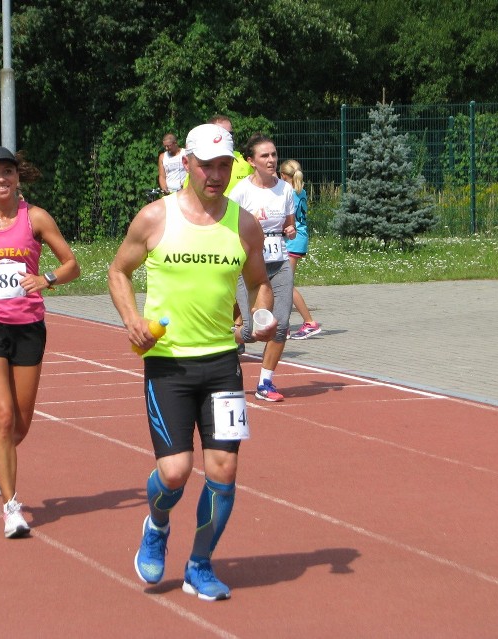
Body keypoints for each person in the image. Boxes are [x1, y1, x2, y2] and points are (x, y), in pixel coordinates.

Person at [108, 123, 276, 601]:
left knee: (223, 470)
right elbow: (118, 270)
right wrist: (131, 319)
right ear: (188, 163)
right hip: (168, 365)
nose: (216, 175)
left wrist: (260, 314)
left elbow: (259, 280)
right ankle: (157, 524)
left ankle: (200, 564)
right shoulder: (155, 218)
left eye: (224, 165)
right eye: (207, 165)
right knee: (176, 472)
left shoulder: (243, 223)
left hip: (223, 363)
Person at [0, 145, 80, 538]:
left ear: (17, 176)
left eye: (8, 172)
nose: (1, 179)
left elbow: (71, 264)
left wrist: (47, 280)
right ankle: (12, 508)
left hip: (28, 327)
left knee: (19, 424)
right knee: (3, 414)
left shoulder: (36, 218)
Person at [229, 133, 297, 402]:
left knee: (280, 326)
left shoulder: (286, 190)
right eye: (264, 156)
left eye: (273, 154)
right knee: (251, 332)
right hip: (248, 268)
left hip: (278, 263)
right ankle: (219, 338)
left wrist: (290, 230)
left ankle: (265, 383)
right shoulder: (241, 192)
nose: (271, 160)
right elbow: (227, 229)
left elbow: (289, 226)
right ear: (251, 161)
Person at [281, 160, 321, 340]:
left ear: (283, 176)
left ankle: (309, 322)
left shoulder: (287, 193)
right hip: (298, 238)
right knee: (281, 283)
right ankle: (284, 325)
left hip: (293, 239)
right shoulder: (300, 190)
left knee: (286, 284)